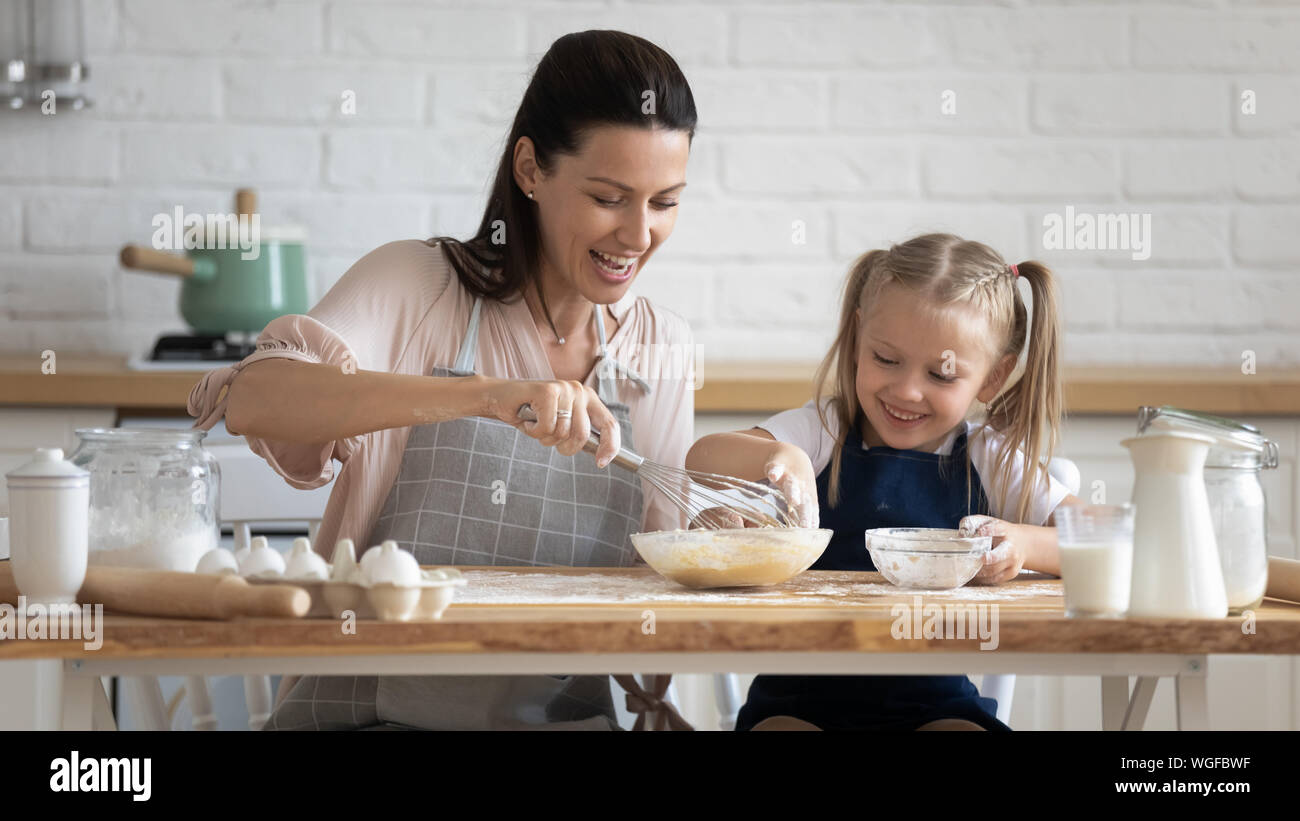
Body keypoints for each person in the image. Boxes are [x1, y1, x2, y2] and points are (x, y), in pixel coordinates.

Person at [187, 30, 698, 730]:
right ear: (530, 168)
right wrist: (486, 395)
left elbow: (665, 582)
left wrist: (741, 505)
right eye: (610, 197)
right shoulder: (419, 285)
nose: (638, 234)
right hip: (365, 716)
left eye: (665, 202)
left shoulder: (660, 347)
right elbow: (257, 397)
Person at [685, 233, 1083, 731]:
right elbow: (702, 457)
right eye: (886, 360)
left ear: (992, 378)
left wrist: (1024, 542)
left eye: (941, 375)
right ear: (857, 340)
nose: (907, 390)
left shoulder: (987, 456)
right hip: (796, 700)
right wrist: (780, 455)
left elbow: (1106, 536)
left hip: (935, 704)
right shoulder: (821, 430)